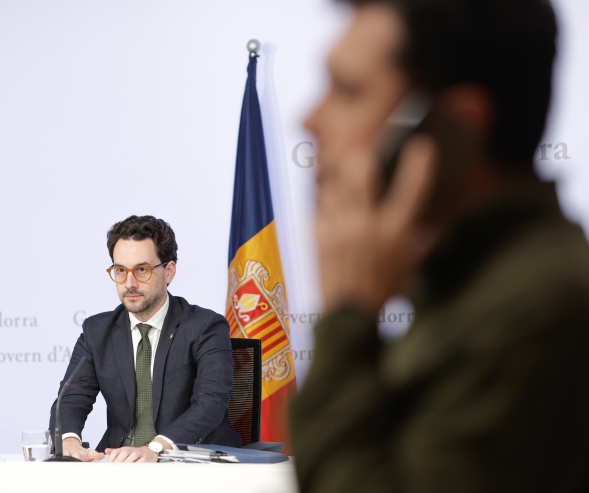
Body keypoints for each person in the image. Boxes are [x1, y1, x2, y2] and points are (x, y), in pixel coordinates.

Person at [290, 0, 589, 491]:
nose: (311, 121)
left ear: (456, 123)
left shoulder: (532, 308)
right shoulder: (471, 278)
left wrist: (349, 314)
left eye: (347, 91)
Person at [50, 215, 240, 462]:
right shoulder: (98, 330)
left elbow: (210, 404)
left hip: (191, 462)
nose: (129, 283)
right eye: (120, 271)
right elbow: (71, 397)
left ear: (168, 271)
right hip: (120, 462)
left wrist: (155, 448)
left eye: (142, 270)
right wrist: (69, 441)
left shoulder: (205, 326)